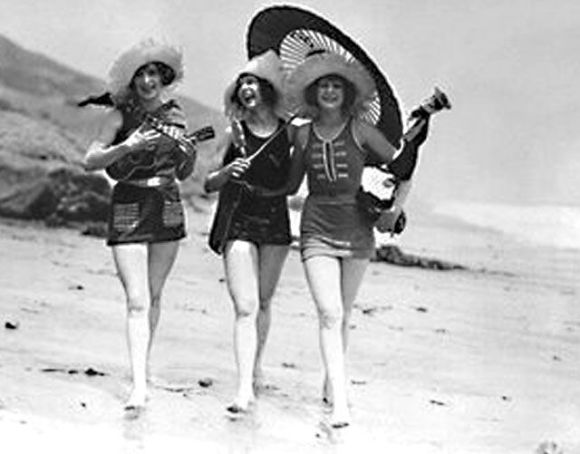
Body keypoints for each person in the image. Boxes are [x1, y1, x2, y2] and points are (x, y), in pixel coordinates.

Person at [256, 51, 401, 428]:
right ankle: (340, 401)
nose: (330, 91)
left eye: (337, 85)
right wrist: (251, 185)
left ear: (348, 93)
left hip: (357, 226)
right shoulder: (302, 133)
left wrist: (394, 209)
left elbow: (403, 166)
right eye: (323, 86)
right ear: (312, 92)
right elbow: (290, 184)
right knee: (330, 313)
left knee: (344, 313)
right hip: (316, 226)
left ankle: (330, 383)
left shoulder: (362, 131)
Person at [82, 39, 195, 412]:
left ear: (164, 78)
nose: (148, 81)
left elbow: (184, 172)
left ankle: (142, 370)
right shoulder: (118, 116)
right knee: (136, 299)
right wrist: (127, 146)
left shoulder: (176, 117)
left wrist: (188, 153)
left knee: (154, 295)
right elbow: (89, 161)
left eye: (153, 74)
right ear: (130, 81)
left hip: (166, 203)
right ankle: (139, 387)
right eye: (141, 74)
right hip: (129, 202)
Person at [204, 50, 294, 414]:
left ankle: (255, 367)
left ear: (267, 89)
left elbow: (300, 175)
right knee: (246, 306)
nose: (246, 88)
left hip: (275, 220)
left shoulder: (290, 132)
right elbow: (209, 182)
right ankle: (243, 389)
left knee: (264, 303)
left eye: (253, 82)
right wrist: (228, 173)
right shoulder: (234, 132)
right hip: (239, 218)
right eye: (241, 83)